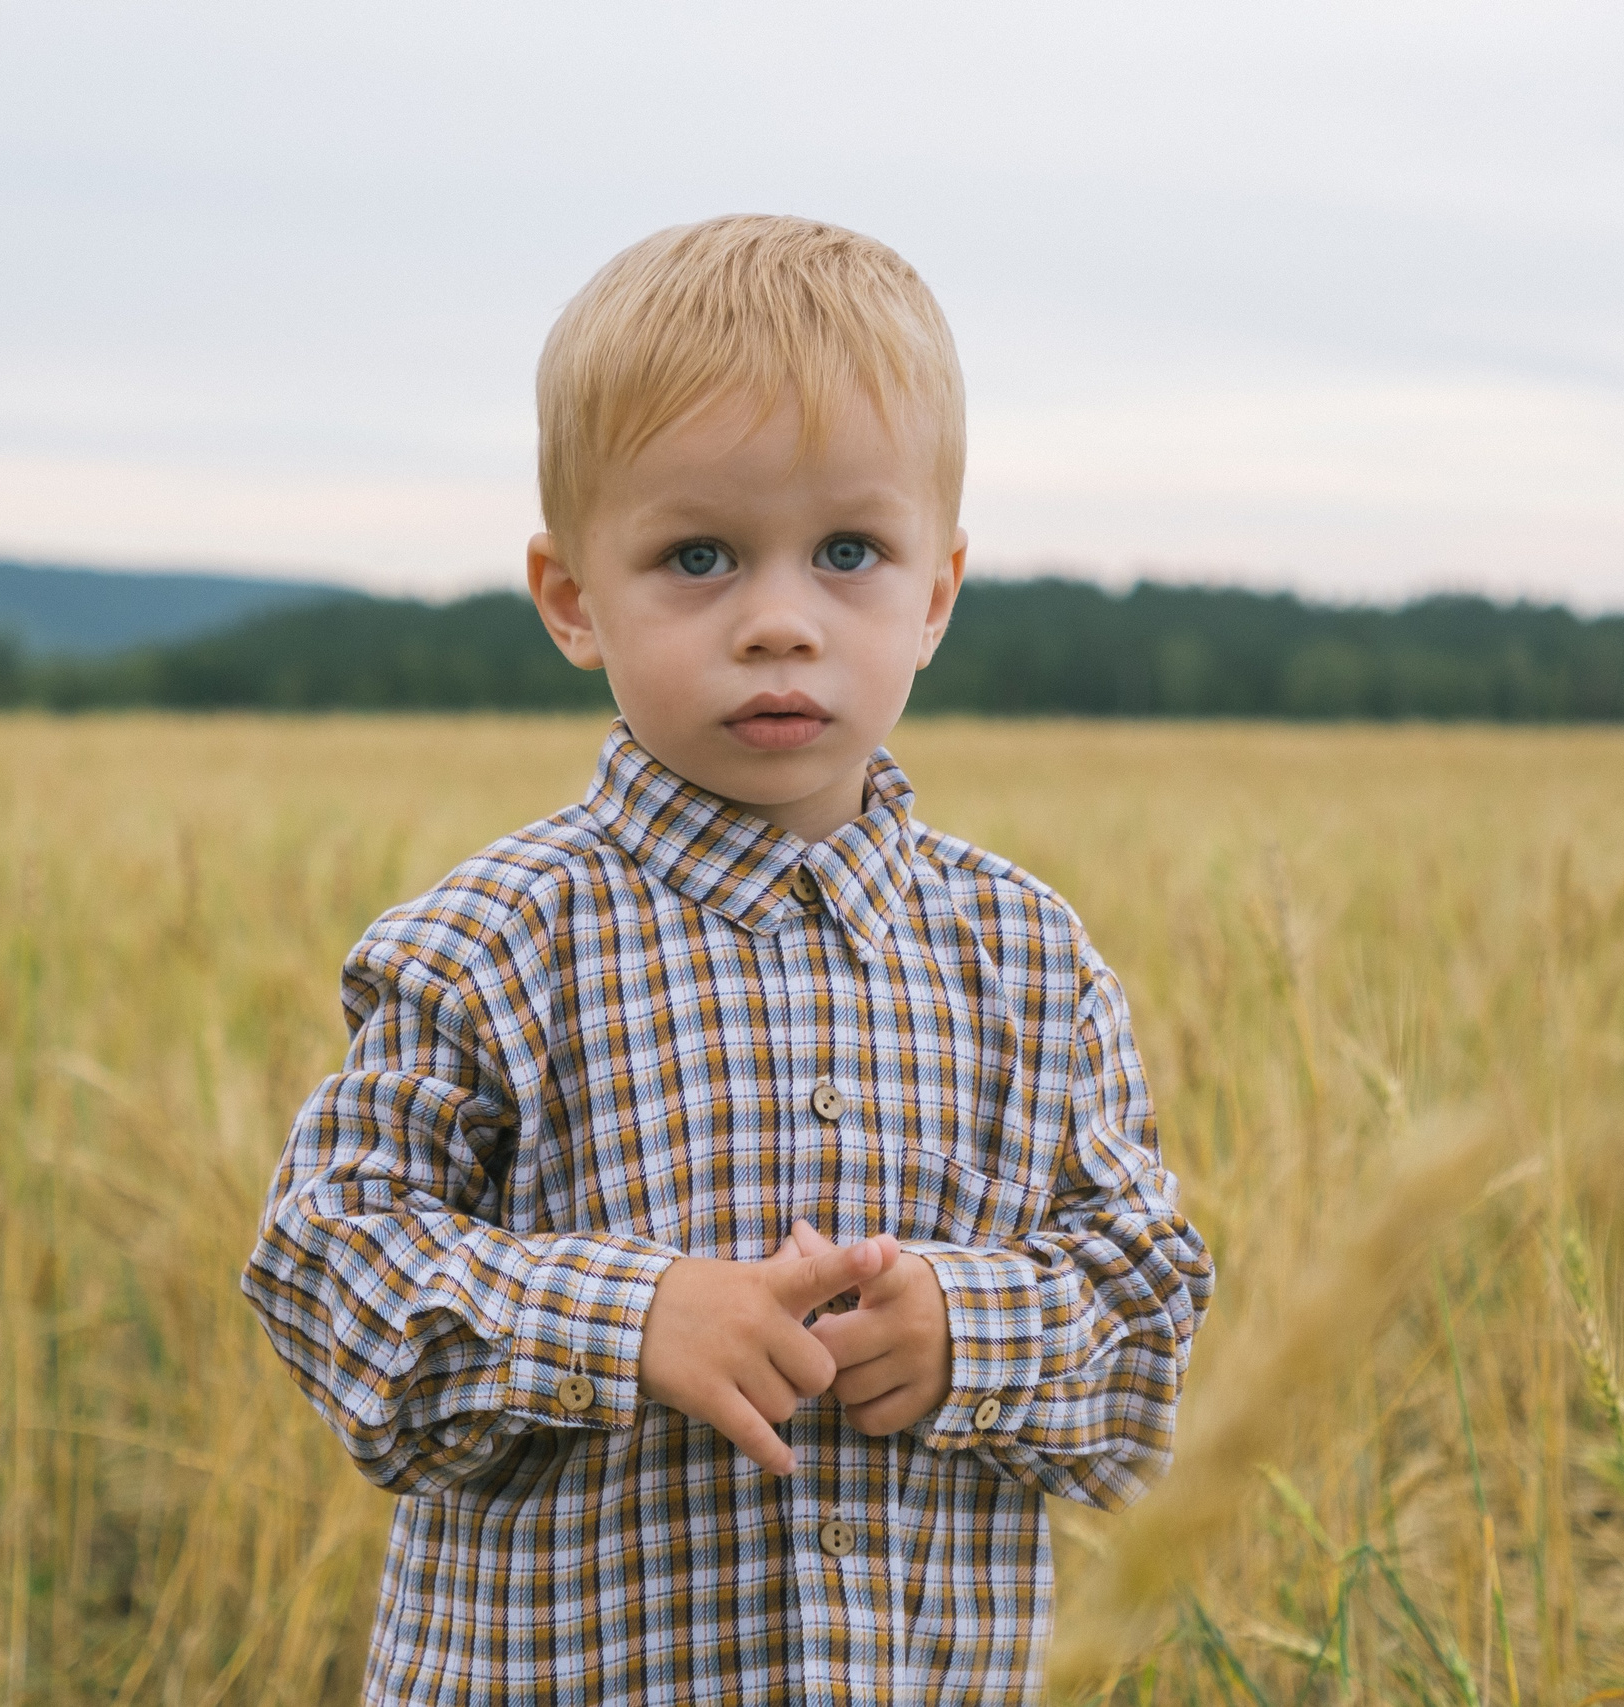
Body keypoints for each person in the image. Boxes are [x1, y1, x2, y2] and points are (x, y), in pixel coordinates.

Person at [243, 214, 1215, 1705]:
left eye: (849, 553)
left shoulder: (1031, 960)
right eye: (698, 555)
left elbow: (1146, 1331)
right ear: (574, 598)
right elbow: (329, 1266)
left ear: (937, 592)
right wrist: (625, 1318)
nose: (778, 622)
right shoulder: (492, 946)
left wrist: (974, 1331)